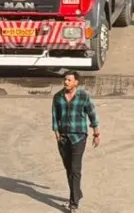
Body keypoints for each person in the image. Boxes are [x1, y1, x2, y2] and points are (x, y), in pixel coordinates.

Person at [51, 71, 100, 213]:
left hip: (79, 137)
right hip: (63, 138)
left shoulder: (84, 96)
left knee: (75, 169)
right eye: (65, 80)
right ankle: (77, 193)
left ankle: (73, 204)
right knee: (68, 169)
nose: (66, 82)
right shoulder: (58, 97)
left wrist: (96, 133)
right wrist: (57, 134)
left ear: (76, 82)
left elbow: (92, 114)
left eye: (69, 80)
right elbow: (55, 116)